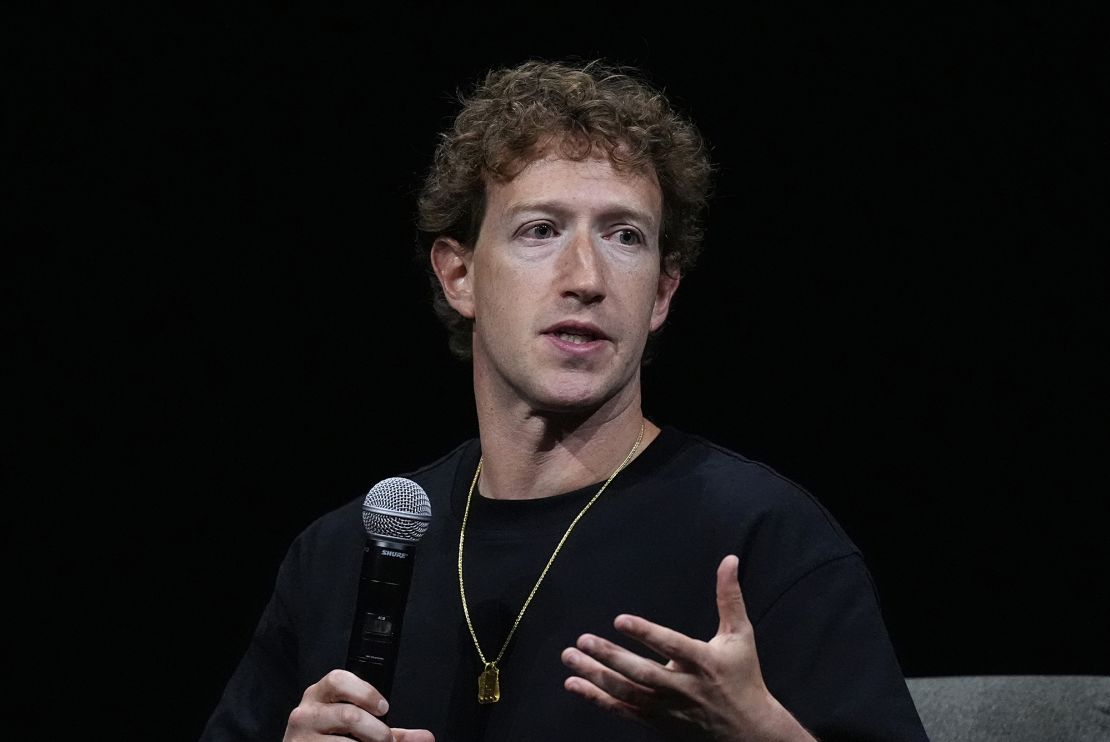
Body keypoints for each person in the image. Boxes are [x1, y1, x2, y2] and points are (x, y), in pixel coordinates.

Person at [199, 58, 928, 742]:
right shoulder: (343, 554)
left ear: (662, 293)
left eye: (625, 236)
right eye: (541, 230)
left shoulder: (764, 542)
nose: (585, 275)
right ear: (460, 276)